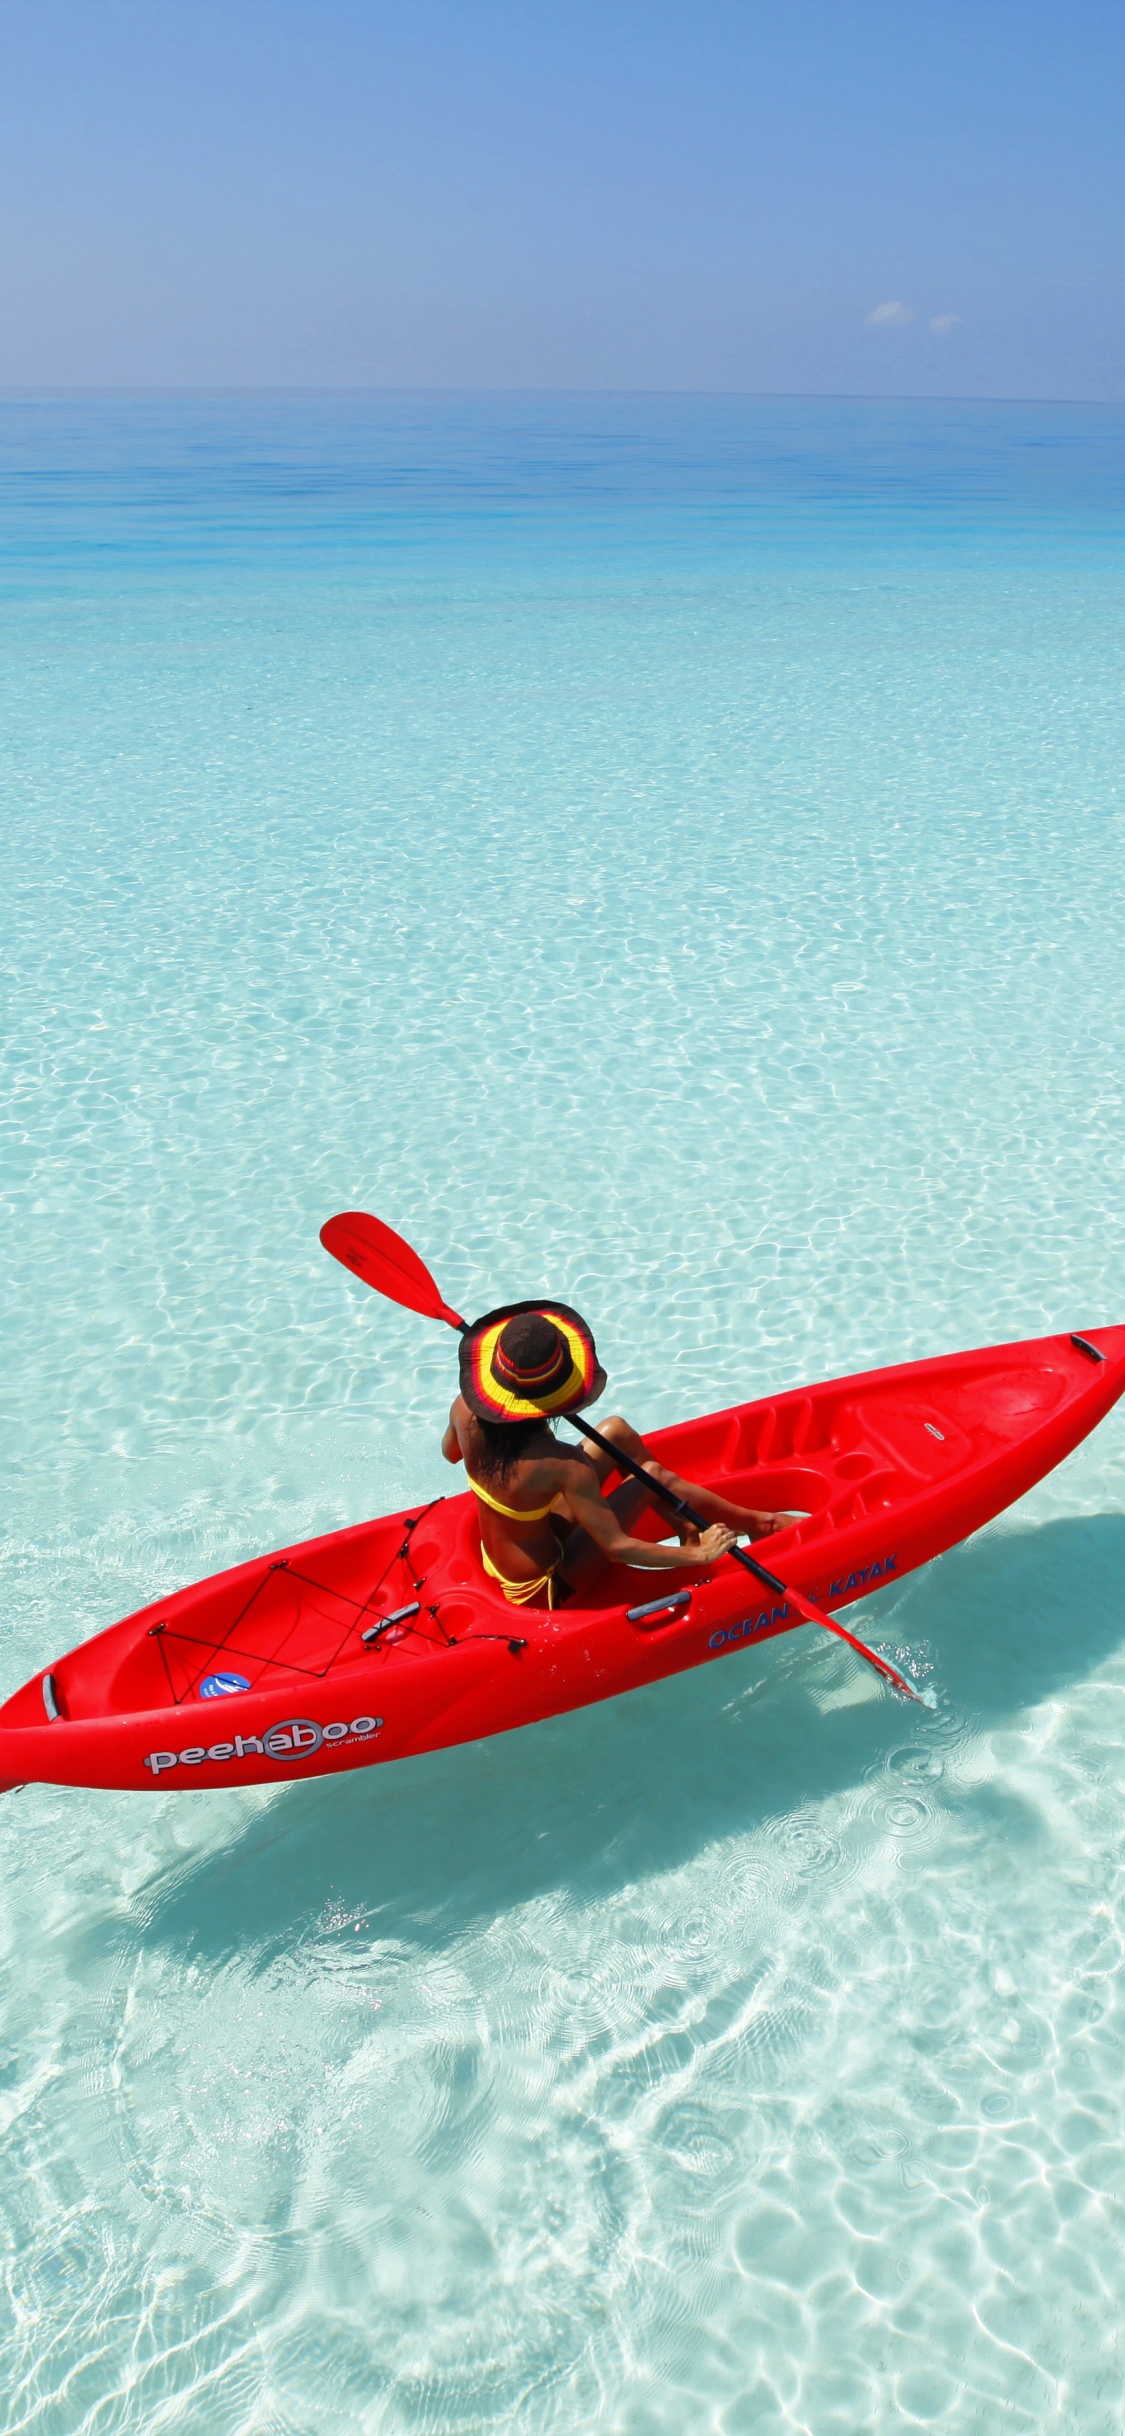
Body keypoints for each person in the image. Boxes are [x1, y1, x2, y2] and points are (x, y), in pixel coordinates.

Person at [442, 1299, 797, 1610]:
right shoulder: (563, 1464)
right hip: (545, 1586)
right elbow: (617, 1548)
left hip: (515, 1548)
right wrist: (699, 1555)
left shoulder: (463, 1409)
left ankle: (686, 1528)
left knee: (615, 1431)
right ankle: (761, 1524)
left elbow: (451, 1454)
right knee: (651, 1476)